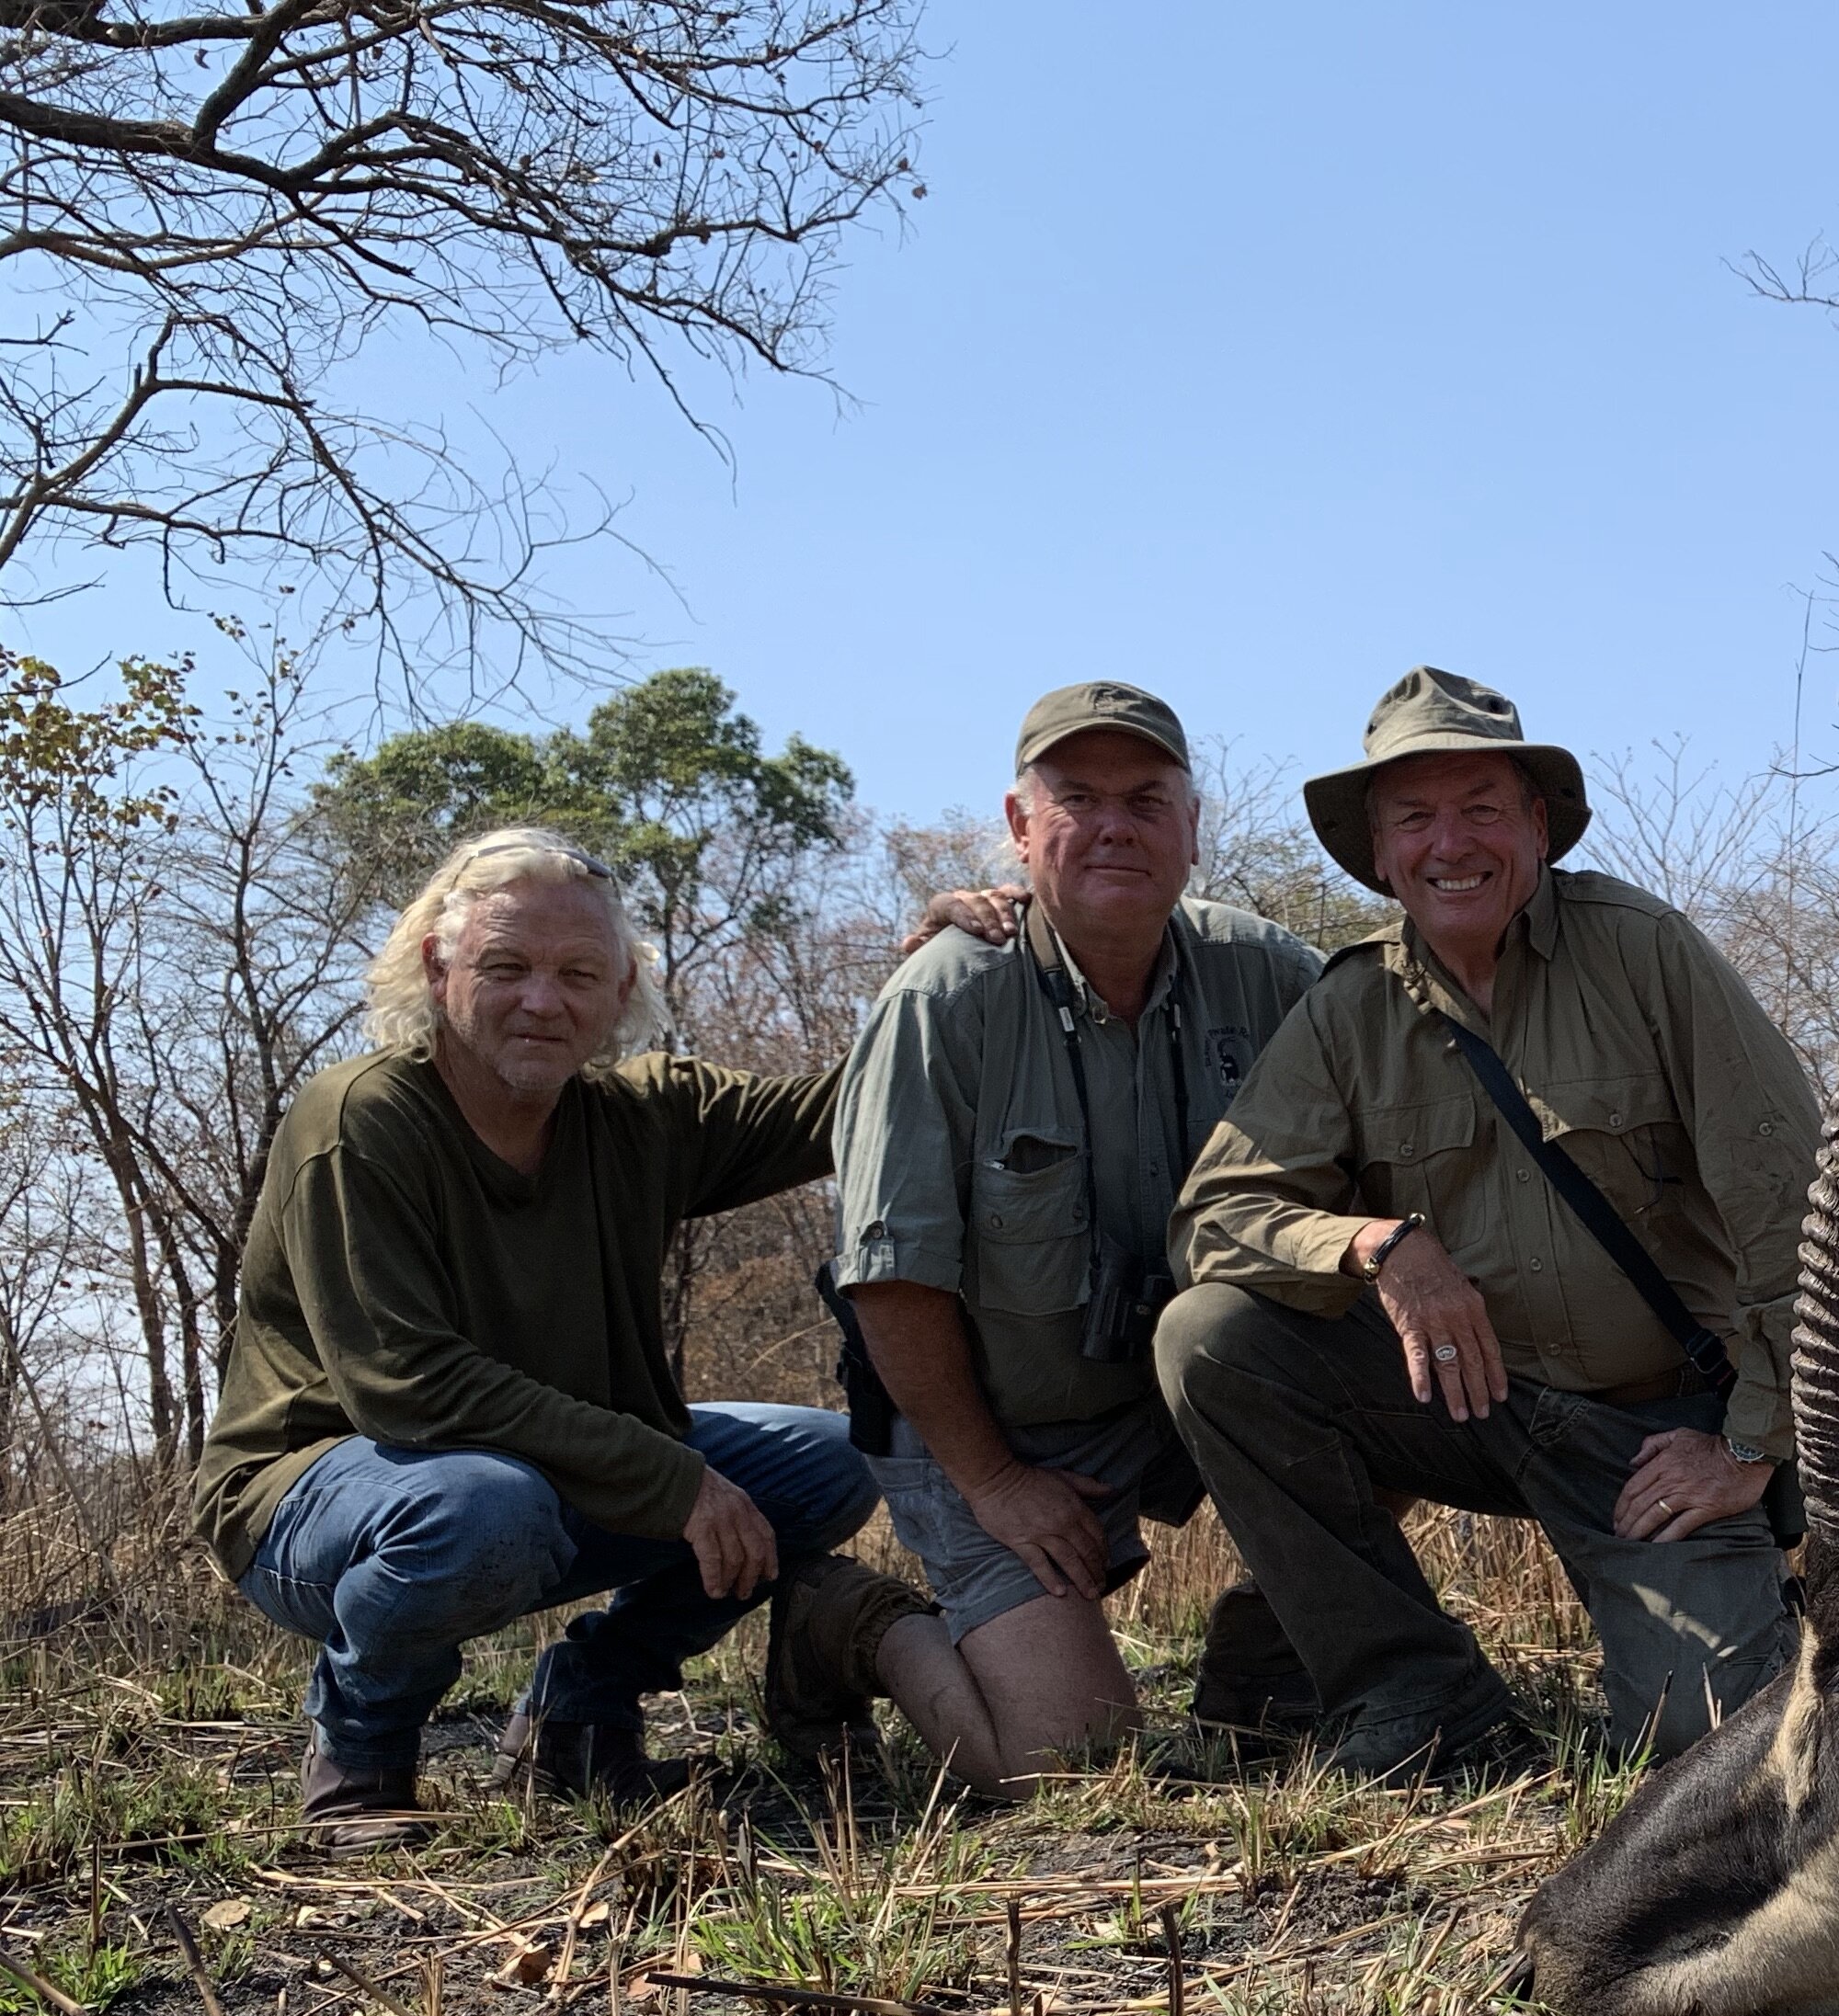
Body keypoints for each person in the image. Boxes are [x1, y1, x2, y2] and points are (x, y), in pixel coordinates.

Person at [1154, 667, 1818, 1778]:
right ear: (1378, 850)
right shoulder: (1347, 1006)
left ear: (1538, 826)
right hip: (1473, 1405)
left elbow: (1801, 1209)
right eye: (1415, 817)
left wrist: (1752, 1441)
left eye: (1481, 809)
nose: (1448, 844)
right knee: (1209, 1338)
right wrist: (1375, 1244)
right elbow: (1215, 1219)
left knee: (1714, 1748)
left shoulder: (1645, 952)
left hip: (1652, 1437)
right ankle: (1414, 1692)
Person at [196, 827, 895, 1844]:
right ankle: (359, 1753)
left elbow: (851, 1110)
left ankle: (578, 1707)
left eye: (578, 973)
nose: (542, 1000)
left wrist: (930, 974)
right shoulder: (358, 1117)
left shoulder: (644, 1116)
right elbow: (408, 1388)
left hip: (544, 1477)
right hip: (327, 1494)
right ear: (438, 971)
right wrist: (675, 1479)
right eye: (506, 967)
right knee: (481, 1507)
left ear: (620, 993)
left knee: (826, 1464)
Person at [818, 681, 1320, 1792]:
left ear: (1194, 826)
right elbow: (892, 1283)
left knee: (1403, 1370)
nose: (1114, 825)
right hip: (983, 1423)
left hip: (1176, 1397)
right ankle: (853, 1621)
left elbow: (1419, 1054)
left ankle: (1268, 1652)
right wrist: (995, 1480)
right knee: (1069, 1759)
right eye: (1076, 797)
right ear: (1018, 825)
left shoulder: (1273, 973)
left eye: (1148, 799)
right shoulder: (942, 997)